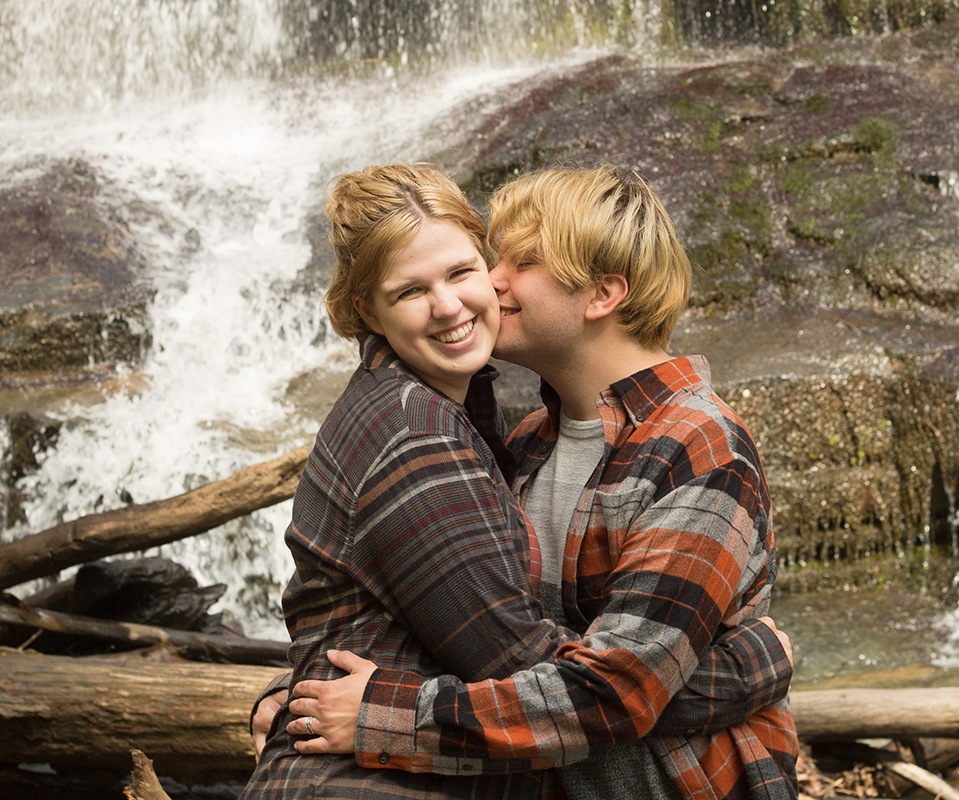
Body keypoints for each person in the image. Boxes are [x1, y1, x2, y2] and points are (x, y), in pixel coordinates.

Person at [243, 163, 794, 799]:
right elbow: (496, 639)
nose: (488, 282)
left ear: (601, 295)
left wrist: (376, 712)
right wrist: (309, 682)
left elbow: (616, 692)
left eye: (519, 262)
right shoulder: (529, 438)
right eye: (492, 259)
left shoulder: (699, 448)